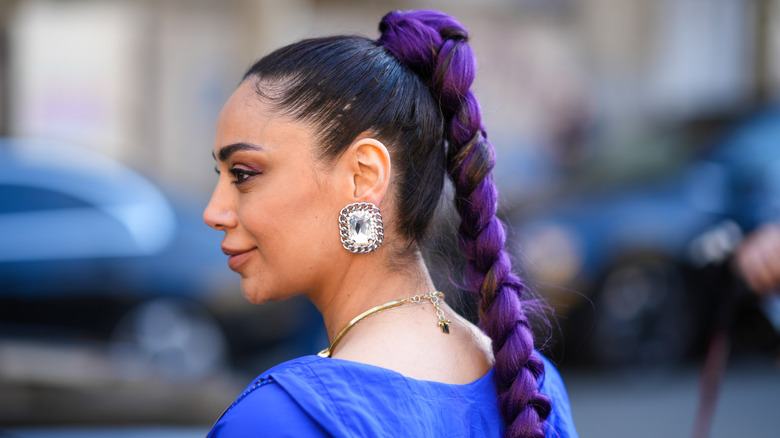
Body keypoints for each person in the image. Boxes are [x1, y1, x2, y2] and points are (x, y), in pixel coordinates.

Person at [203, 9, 578, 438]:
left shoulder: (280, 418)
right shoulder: (532, 387)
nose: (214, 212)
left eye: (243, 174)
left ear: (364, 176)